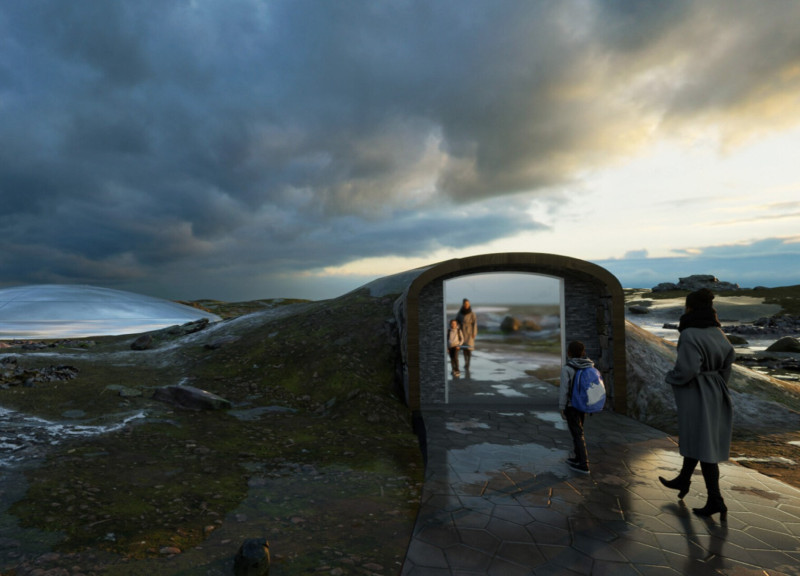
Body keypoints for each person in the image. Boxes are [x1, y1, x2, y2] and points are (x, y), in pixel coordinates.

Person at [659, 288, 735, 521]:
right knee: (700, 438)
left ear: (689, 307)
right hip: (716, 390)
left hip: (697, 391)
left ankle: (716, 500)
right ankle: (684, 478)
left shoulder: (690, 334)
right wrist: (718, 384)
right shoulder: (718, 332)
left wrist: (672, 377)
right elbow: (728, 361)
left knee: (704, 446)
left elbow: (688, 369)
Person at [559, 340, 594, 474]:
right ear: (583, 353)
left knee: (577, 433)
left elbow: (564, 390)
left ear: (569, 353)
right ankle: (577, 458)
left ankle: (583, 463)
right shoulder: (589, 366)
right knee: (578, 432)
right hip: (583, 405)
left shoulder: (567, 368)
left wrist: (562, 407)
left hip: (571, 405)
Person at [456, 298, 477, 371]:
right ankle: (466, 362)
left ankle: (468, 363)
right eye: (465, 304)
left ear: (469, 304)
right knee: (464, 349)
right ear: (463, 304)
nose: (467, 305)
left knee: (469, 348)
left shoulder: (472, 313)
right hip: (462, 331)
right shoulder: (460, 312)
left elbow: (474, 323)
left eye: (468, 304)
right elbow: (456, 321)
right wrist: (457, 331)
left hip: (469, 332)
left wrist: (474, 333)